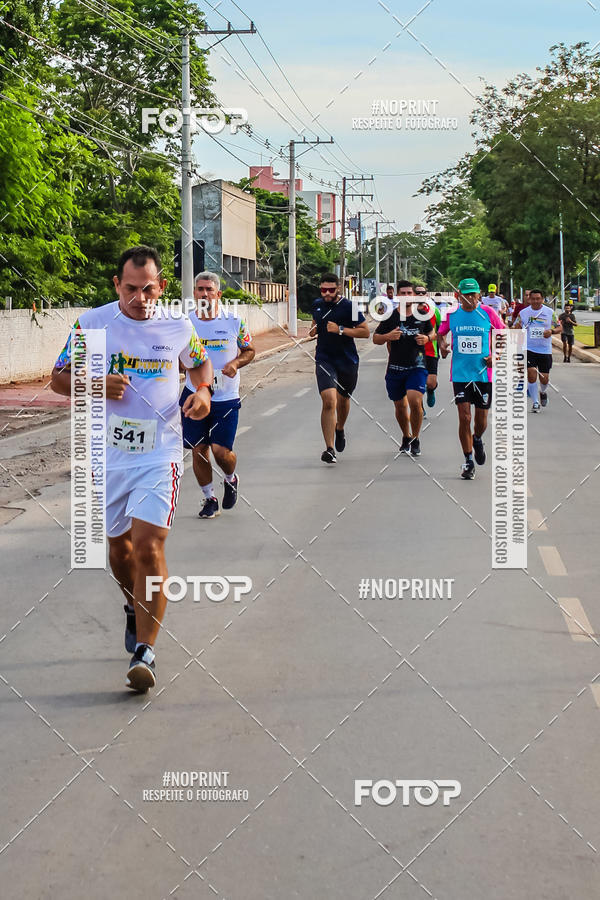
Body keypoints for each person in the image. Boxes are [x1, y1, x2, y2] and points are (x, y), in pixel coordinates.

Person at [51, 246, 213, 691]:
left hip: (160, 454)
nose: (140, 298)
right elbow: (59, 377)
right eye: (130, 289)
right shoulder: (93, 324)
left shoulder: (178, 325)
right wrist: (96, 382)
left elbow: (199, 363)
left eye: (148, 289)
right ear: (117, 286)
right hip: (108, 456)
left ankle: (146, 652)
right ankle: (131, 605)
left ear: (161, 287)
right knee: (119, 550)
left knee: (148, 546)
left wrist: (202, 392)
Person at [180, 272, 255, 519]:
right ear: (194, 294)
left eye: (209, 290)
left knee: (221, 451)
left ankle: (231, 478)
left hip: (225, 397)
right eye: (200, 289)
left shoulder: (234, 321)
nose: (204, 294)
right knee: (198, 449)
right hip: (194, 395)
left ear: (218, 294)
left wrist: (236, 363)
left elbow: (249, 350)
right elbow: (177, 358)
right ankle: (209, 498)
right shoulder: (185, 323)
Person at [438, 277, 505, 479]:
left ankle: (477, 438)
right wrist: (442, 345)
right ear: (458, 296)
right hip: (460, 374)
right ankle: (468, 461)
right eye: (465, 295)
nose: (469, 299)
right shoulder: (452, 315)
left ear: (479, 294)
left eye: (472, 295)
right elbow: (440, 334)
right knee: (464, 417)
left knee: (481, 419)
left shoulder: (488, 313)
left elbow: (503, 335)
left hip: (484, 374)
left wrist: (497, 355)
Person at [310, 272, 369, 463]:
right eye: (323, 289)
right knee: (329, 401)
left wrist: (341, 330)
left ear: (338, 289)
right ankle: (329, 449)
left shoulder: (349, 307)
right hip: (324, 359)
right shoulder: (317, 304)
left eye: (331, 290)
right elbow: (314, 326)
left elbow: (365, 332)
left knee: (343, 400)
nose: (327, 293)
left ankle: (340, 428)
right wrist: (313, 330)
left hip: (347, 360)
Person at [374, 284, 434, 456]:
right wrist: (388, 337)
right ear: (397, 296)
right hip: (395, 368)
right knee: (400, 406)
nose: (406, 296)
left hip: (417, 366)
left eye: (409, 293)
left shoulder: (422, 315)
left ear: (414, 296)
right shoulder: (390, 317)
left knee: (415, 401)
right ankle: (406, 436)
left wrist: (427, 338)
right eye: (403, 293)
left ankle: (415, 438)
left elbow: (433, 333)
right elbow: (376, 338)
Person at [513, 289, 561, 411]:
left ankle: (543, 392)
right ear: (529, 299)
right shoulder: (523, 313)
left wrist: (552, 331)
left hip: (545, 350)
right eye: (533, 299)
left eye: (538, 299)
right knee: (531, 374)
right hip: (529, 349)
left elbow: (559, 327)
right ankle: (535, 403)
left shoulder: (550, 312)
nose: (535, 301)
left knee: (544, 378)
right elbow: (516, 326)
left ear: (542, 299)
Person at [415, 286, 441, 407]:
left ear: (426, 295)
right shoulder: (407, 311)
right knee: (416, 383)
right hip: (413, 353)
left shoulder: (434, 311)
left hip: (431, 351)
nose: (420, 294)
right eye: (417, 292)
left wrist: (443, 345)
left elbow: (440, 332)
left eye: (423, 293)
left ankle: (431, 391)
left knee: (430, 383)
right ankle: (419, 408)